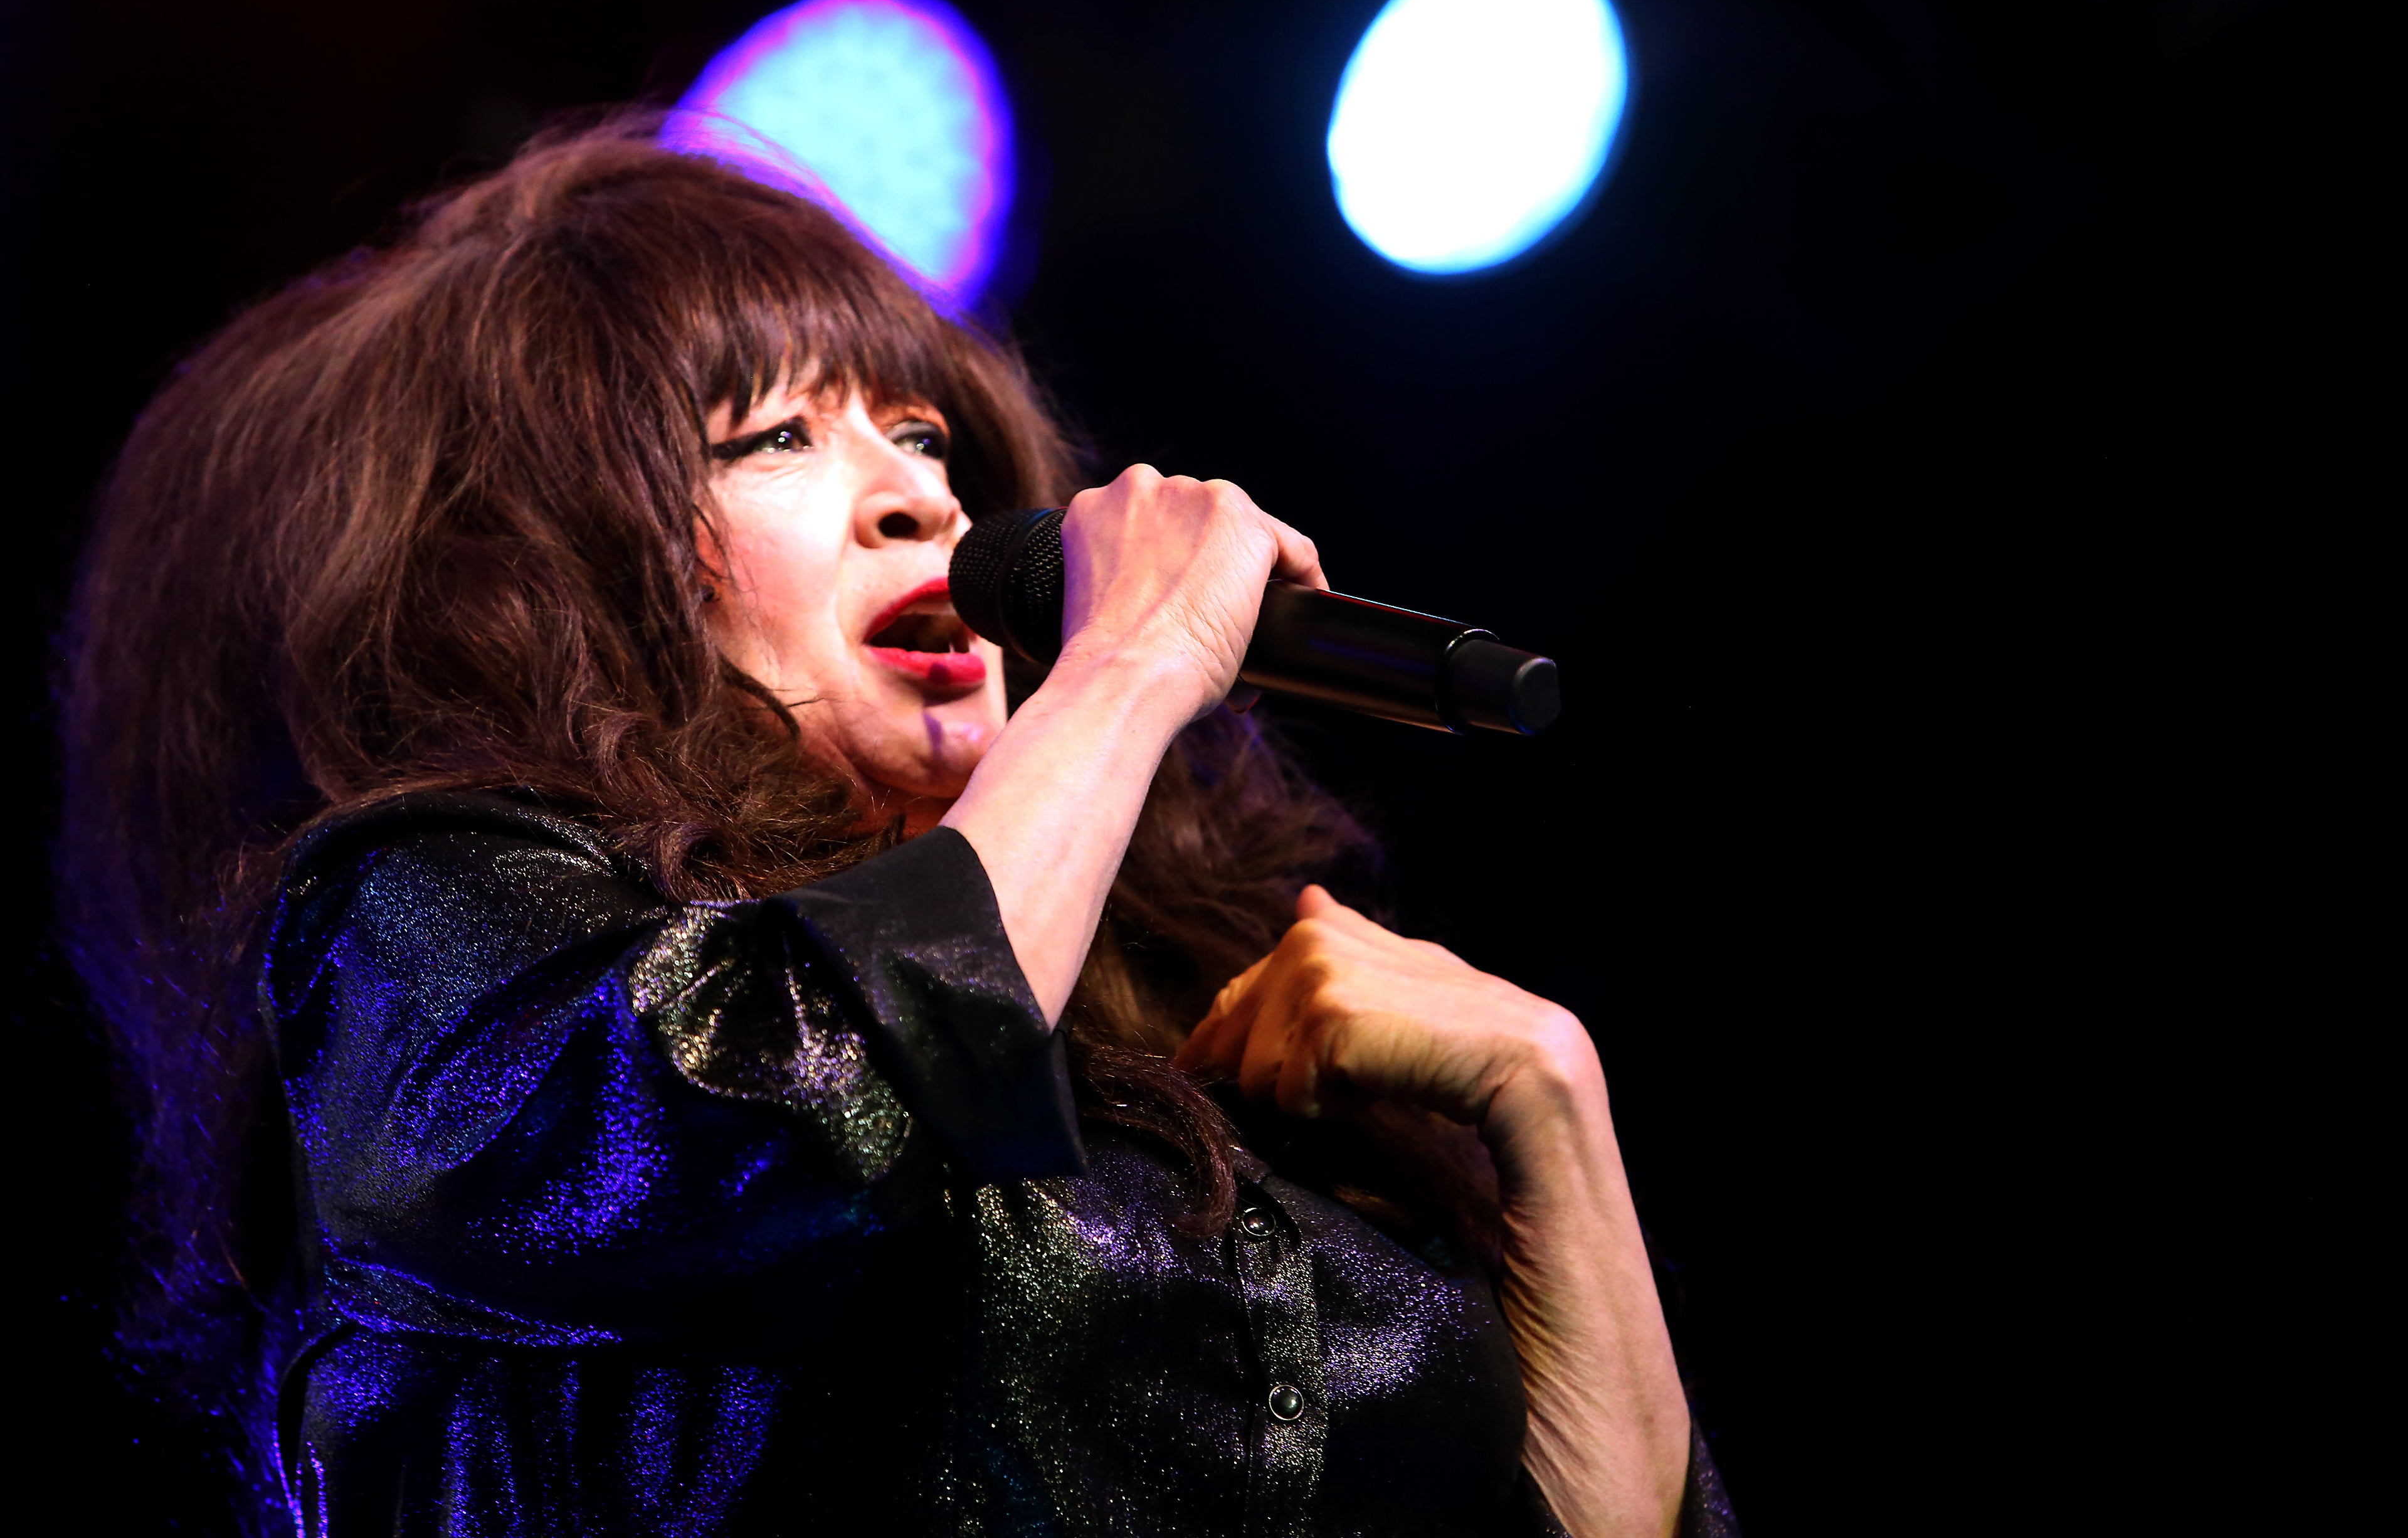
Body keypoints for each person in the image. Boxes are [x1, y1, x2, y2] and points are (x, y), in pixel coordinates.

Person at [60, 119, 1736, 1538]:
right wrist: (1141, 657)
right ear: (537, 573)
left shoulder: (1206, 1068)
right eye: (776, 436)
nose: (923, 497)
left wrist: (1549, 1106)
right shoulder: (426, 931)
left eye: (923, 436)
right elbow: (752, 1134)